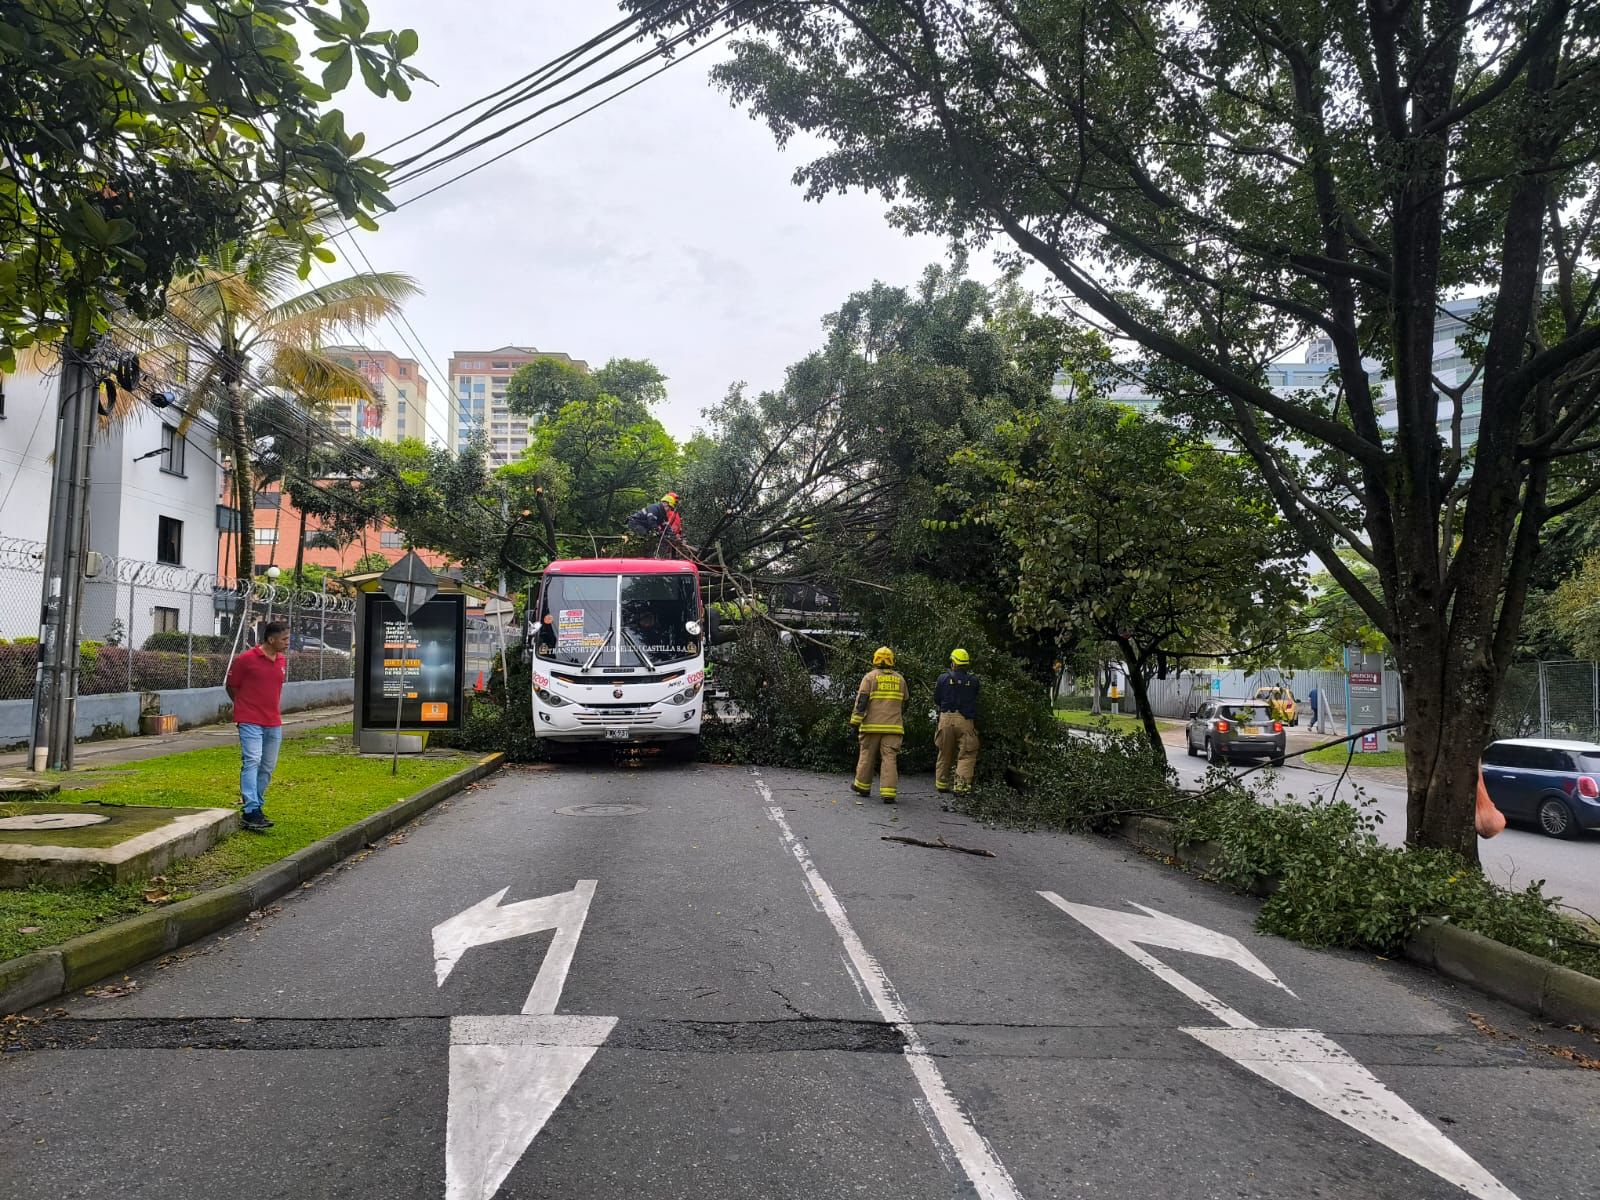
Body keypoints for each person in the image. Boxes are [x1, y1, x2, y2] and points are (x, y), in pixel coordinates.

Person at [226, 620, 290, 832]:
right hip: (250, 720)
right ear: (271, 639)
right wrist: (244, 708)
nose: (287, 643)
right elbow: (231, 686)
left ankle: (257, 807)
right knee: (252, 760)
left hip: (273, 721)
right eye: (284, 639)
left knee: (267, 767)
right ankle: (251, 810)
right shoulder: (246, 659)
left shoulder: (281, 660)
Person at [851, 646, 907, 803]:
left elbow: (861, 703)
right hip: (893, 728)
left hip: (871, 727)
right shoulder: (900, 679)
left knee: (867, 755)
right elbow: (905, 703)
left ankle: (862, 786)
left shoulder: (869, 677)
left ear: (875, 660)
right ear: (891, 661)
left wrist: (855, 723)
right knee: (889, 758)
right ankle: (888, 793)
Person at [934, 648, 981, 794]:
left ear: (954, 662)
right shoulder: (973, 681)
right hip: (965, 721)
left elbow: (936, 699)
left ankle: (941, 783)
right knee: (967, 753)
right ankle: (961, 786)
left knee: (945, 751)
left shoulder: (942, 678)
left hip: (946, 719)